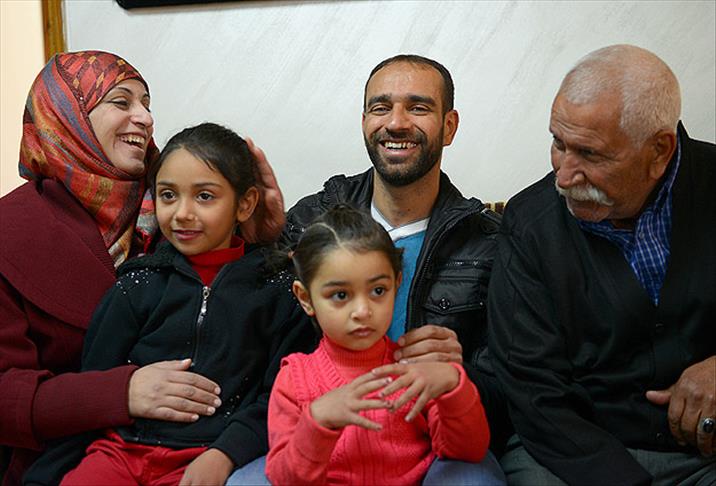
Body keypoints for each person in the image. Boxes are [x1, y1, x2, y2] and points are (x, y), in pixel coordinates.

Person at [0, 51, 284, 486]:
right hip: (68, 455)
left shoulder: (173, 220)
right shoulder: (12, 230)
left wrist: (263, 238)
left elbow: (256, 339)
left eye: (147, 104)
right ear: (66, 117)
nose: (146, 119)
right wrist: (122, 392)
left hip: (204, 447)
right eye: (122, 101)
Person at [26, 123, 315, 485]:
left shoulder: (278, 291)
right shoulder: (137, 283)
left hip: (207, 458)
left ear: (245, 204)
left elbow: (280, 397)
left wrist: (224, 455)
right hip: (120, 452)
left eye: (204, 196)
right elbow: (94, 384)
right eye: (168, 195)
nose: (181, 213)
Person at [489, 44, 716, 486]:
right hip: (577, 455)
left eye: (590, 154)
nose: (563, 176)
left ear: (659, 151)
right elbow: (531, 388)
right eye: (558, 144)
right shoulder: (530, 223)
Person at [280, 54, 510, 454]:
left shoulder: (489, 242)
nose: (396, 123)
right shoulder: (309, 221)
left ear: (449, 127)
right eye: (380, 108)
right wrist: (252, 234)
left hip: (439, 443)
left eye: (418, 108)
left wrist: (460, 375)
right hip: (323, 440)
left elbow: (512, 392)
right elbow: (257, 344)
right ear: (364, 121)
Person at [266, 205, 499, 485]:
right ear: (305, 298)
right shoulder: (294, 380)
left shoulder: (414, 372)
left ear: (396, 283)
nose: (363, 311)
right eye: (340, 295)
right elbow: (283, 478)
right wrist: (317, 422)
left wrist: (454, 385)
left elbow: (468, 452)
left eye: (378, 290)